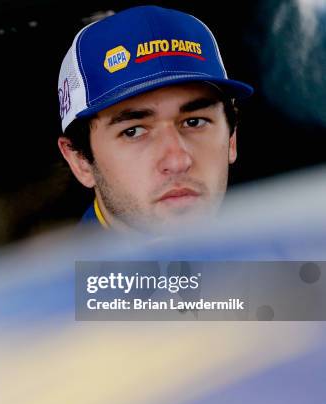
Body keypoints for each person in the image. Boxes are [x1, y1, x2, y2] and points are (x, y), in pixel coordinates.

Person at [56, 5, 253, 234]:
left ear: (231, 139)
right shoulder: (63, 269)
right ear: (80, 162)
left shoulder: (283, 252)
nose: (177, 161)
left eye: (194, 122)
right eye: (134, 131)